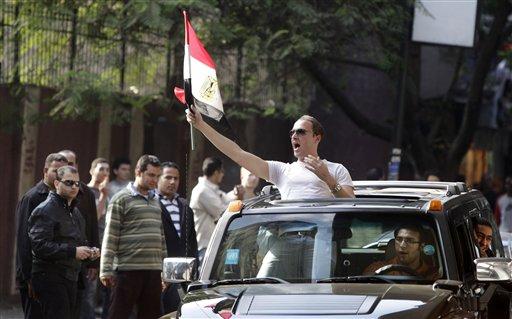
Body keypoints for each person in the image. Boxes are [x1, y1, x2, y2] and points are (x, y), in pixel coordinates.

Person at [186, 110, 354, 200]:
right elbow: (237, 154)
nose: (294, 136)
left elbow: (350, 204)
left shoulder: (336, 169)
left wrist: (328, 179)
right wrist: (201, 125)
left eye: (301, 132)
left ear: (317, 137)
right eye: (292, 132)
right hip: (286, 241)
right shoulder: (281, 170)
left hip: (320, 241)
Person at [28, 165, 100, 319]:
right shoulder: (45, 210)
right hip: (50, 277)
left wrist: (89, 252)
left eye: (77, 183)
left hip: (72, 277)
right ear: (56, 184)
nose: (74, 187)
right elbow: (39, 246)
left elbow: (79, 241)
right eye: (69, 182)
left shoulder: (75, 211)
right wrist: (73, 252)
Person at [100, 155, 166, 319]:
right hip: (126, 271)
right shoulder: (120, 199)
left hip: (153, 272)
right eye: (151, 175)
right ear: (138, 172)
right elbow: (110, 235)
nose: (155, 180)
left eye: (157, 176)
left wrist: (165, 270)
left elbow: (161, 238)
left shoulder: (156, 201)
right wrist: (105, 269)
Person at [15, 153, 68, 319]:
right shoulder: (32, 198)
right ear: (45, 170)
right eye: (55, 171)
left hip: (57, 276)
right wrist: (29, 277)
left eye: (63, 172)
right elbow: (24, 240)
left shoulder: (65, 199)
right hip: (35, 276)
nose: (59, 176)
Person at [59, 150, 100, 319]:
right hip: (58, 261)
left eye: (71, 163)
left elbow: (92, 226)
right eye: (64, 164)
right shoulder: (46, 194)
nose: (68, 167)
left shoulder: (86, 193)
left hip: (82, 262)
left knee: (85, 305)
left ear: (76, 166)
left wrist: (93, 262)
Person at [156, 162, 198, 314]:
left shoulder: (185, 206)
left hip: (183, 275)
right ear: (158, 178)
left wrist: (194, 271)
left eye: (176, 178)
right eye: (168, 177)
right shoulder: (151, 204)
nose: (173, 182)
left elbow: (192, 242)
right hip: (158, 273)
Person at [190, 157, 238, 264]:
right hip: (206, 245)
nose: (223, 175)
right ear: (216, 172)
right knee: (207, 279)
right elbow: (222, 211)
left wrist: (235, 194)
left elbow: (226, 199)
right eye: (222, 172)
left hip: (215, 244)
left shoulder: (212, 189)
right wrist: (237, 202)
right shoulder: (202, 190)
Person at [363, 225, 439, 280]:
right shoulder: (376, 269)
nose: (402, 245)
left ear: (421, 246)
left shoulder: (433, 275)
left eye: (409, 240)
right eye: (399, 239)